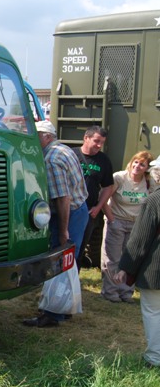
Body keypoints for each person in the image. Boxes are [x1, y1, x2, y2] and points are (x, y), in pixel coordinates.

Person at [24, 120, 88, 327]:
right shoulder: (65, 150)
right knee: (69, 262)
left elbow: (63, 198)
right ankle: (65, 307)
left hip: (70, 214)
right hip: (80, 208)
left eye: (38, 135)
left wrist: (63, 230)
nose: (34, 139)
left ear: (47, 137)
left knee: (59, 261)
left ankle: (53, 314)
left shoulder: (51, 159)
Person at [101, 150, 156, 303]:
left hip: (136, 224)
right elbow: (103, 199)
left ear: (147, 168)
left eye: (142, 164)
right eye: (136, 162)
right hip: (117, 220)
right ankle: (110, 291)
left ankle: (126, 292)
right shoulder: (119, 177)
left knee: (131, 257)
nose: (137, 166)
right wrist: (112, 220)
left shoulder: (148, 182)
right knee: (112, 258)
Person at [113, 190, 160, 368]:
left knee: (154, 313)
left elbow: (140, 239)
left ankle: (155, 359)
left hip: (156, 269)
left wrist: (125, 267)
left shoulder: (155, 199)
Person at [74, 126, 114, 266]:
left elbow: (108, 186)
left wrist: (98, 207)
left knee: (79, 248)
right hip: (69, 208)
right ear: (86, 138)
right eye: (96, 141)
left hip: (89, 211)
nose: (99, 145)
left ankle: (74, 281)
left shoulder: (103, 160)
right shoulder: (71, 154)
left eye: (102, 142)